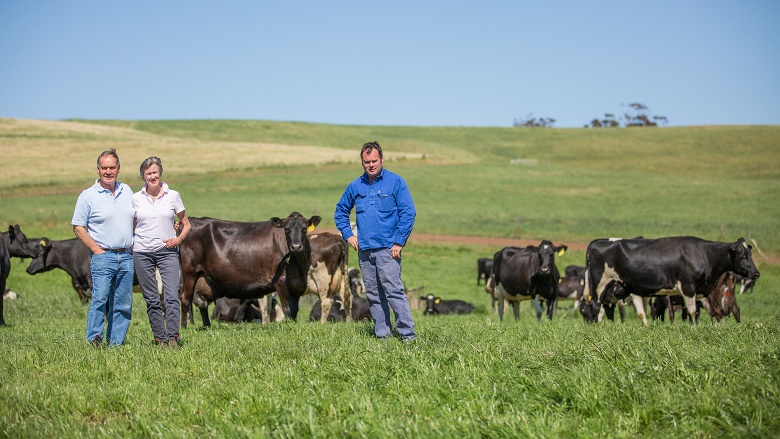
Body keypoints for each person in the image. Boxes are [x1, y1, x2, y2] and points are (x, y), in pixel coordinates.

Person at [335, 141, 417, 341]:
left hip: (389, 249)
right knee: (372, 294)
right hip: (365, 250)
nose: (371, 165)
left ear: (382, 159)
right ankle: (383, 336)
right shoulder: (356, 185)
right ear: (362, 162)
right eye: (366, 162)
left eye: (374, 161)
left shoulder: (396, 182)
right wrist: (349, 235)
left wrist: (399, 242)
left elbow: (409, 212)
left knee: (393, 291)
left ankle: (408, 336)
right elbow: (340, 211)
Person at [72, 149, 135, 347]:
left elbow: (135, 219)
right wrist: (97, 249)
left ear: (118, 169)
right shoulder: (88, 196)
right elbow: (78, 227)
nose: (108, 171)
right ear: (98, 169)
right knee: (100, 299)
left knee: (123, 303)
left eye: (112, 167)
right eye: (104, 168)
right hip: (103, 256)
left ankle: (116, 343)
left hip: (126, 256)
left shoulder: (127, 190)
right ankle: (95, 340)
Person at [132, 156, 191, 349]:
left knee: (172, 295)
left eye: (154, 172)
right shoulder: (135, 198)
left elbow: (186, 224)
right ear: (143, 176)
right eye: (148, 173)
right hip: (142, 253)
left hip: (167, 251)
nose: (152, 176)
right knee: (151, 298)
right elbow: (132, 226)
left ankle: (173, 336)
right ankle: (160, 338)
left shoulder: (173, 195)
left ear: (160, 173)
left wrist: (177, 239)